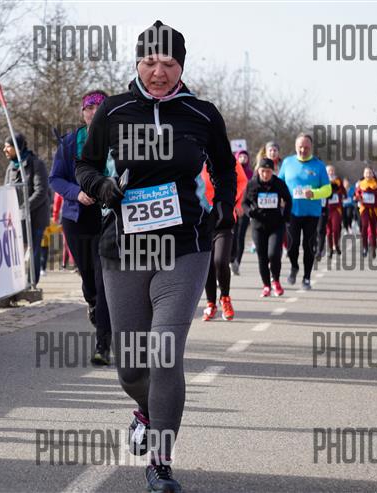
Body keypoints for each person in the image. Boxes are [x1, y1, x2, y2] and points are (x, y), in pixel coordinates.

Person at [75, 20, 236, 492]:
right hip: (124, 247)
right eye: (150, 62)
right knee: (131, 368)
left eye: (168, 63)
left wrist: (224, 208)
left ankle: (161, 463)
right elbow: (85, 164)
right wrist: (100, 185)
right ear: (137, 63)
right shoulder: (113, 110)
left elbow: (224, 167)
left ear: (182, 66)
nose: (159, 72)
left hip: (185, 246)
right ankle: (146, 409)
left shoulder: (202, 114)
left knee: (165, 352)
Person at [49, 89, 113, 365]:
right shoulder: (69, 142)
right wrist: (77, 193)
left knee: (103, 280)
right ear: (82, 112)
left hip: (108, 219)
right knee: (88, 279)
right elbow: (55, 179)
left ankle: (102, 346)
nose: (94, 112)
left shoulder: (118, 141)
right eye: (89, 108)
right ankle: (92, 302)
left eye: (99, 107)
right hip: (76, 219)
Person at [278, 133, 331, 290]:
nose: (303, 150)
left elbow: (328, 189)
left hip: (312, 213)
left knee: (308, 246)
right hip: (292, 212)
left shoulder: (318, 165)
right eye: (300, 147)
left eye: (306, 147)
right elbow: (279, 183)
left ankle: (306, 277)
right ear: (296, 147)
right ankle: (294, 266)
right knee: (292, 245)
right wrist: (280, 197)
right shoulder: (287, 162)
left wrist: (314, 193)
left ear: (311, 147)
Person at [201, 152, 247, 320]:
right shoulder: (196, 157)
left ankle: (225, 298)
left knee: (220, 261)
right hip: (202, 219)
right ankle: (210, 303)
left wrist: (230, 199)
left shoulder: (228, 158)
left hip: (224, 218)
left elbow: (242, 181)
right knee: (207, 264)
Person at [4, 133, 50, 285]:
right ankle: (17, 283)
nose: (4, 149)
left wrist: (23, 208)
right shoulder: (11, 167)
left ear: (17, 148)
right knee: (16, 251)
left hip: (35, 218)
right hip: (16, 218)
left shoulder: (36, 164)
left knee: (33, 250)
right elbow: (5, 192)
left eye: (8, 146)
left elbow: (41, 191)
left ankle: (31, 284)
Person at [243, 158, 291, 296]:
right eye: (263, 171)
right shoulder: (252, 184)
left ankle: (276, 280)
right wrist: (249, 212)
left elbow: (288, 200)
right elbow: (244, 203)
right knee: (262, 256)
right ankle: (266, 286)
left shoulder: (279, 184)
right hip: (258, 226)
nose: (265, 174)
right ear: (258, 171)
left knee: (274, 254)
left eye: (268, 171)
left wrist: (285, 217)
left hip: (276, 225)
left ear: (273, 171)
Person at [354, 167, 377, 257]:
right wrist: (358, 197)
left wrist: (376, 192)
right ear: (364, 174)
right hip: (364, 208)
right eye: (366, 173)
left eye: (370, 173)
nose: (368, 174)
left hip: (374, 209)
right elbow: (356, 194)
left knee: (373, 228)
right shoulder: (361, 184)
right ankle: (365, 247)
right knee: (364, 226)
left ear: (373, 174)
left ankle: (373, 247)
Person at [230, 150, 251, 275]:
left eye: (245, 156)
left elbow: (250, 192)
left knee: (240, 236)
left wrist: (242, 206)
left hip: (243, 209)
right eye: (240, 156)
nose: (243, 158)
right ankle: (232, 259)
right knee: (231, 235)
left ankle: (237, 262)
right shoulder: (231, 169)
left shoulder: (251, 174)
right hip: (232, 207)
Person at [324, 165, 346, 258]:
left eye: (332, 170)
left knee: (336, 228)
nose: (331, 172)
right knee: (329, 231)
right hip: (326, 208)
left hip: (336, 208)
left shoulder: (338, 180)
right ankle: (330, 249)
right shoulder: (323, 180)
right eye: (329, 171)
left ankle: (336, 245)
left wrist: (339, 192)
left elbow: (343, 191)